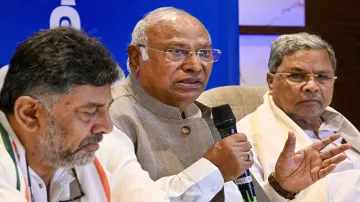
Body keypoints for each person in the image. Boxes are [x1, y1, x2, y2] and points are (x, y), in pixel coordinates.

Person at [108, 7, 349, 201]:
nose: (195, 65)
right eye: (177, 51)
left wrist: (281, 187)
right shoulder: (110, 120)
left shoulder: (209, 118)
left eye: (204, 53)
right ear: (136, 57)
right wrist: (212, 169)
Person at [0, 27, 171, 202]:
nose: (106, 127)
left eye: (107, 109)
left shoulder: (100, 147)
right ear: (29, 114)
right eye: (89, 112)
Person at [237, 32, 356, 201]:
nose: (312, 86)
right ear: (271, 82)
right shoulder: (244, 140)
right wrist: (281, 187)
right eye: (297, 75)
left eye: (323, 77)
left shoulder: (341, 127)